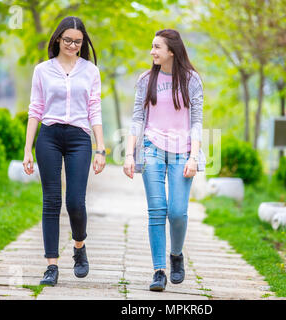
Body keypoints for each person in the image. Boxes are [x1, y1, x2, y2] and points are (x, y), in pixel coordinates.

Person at [23, 16, 106, 286]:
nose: (73, 45)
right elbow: (35, 109)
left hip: (79, 138)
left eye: (78, 41)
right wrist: (27, 150)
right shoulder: (42, 70)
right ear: (58, 38)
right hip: (48, 135)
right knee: (51, 201)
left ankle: (79, 246)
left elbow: (95, 109)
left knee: (75, 201)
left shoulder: (91, 71)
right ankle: (51, 266)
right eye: (68, 40)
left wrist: (101, 148)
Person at [123, 29, 205, 292]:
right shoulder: (146, 79)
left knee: (178, 212)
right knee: (157, 210)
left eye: (157, 47)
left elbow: (196, 123)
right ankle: (159, 271)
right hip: (151, 148)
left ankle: (176, 255)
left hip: (183, 152)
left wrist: (194, 157)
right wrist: (128, 153)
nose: (152, 51)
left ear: (171, 50)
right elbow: (137, 119)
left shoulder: (192, 81)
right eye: (151, 46)